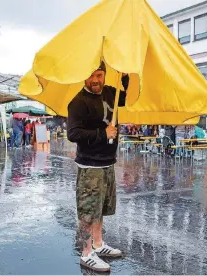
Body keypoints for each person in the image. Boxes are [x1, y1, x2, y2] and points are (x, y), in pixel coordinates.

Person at [67, 61, 127, 272]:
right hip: (90, 165)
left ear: (104, 75)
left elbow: (124, 98)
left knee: (100, 208)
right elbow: (73, 134)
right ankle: (86, 253)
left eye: (99, 75)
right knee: (87, 211)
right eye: (91, 75)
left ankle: (99, 245)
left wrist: (125, 75)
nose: (95, 80)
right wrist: (103, 134)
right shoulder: (78, 102)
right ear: (85, 76)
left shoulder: (110, 93)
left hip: (107, 163)